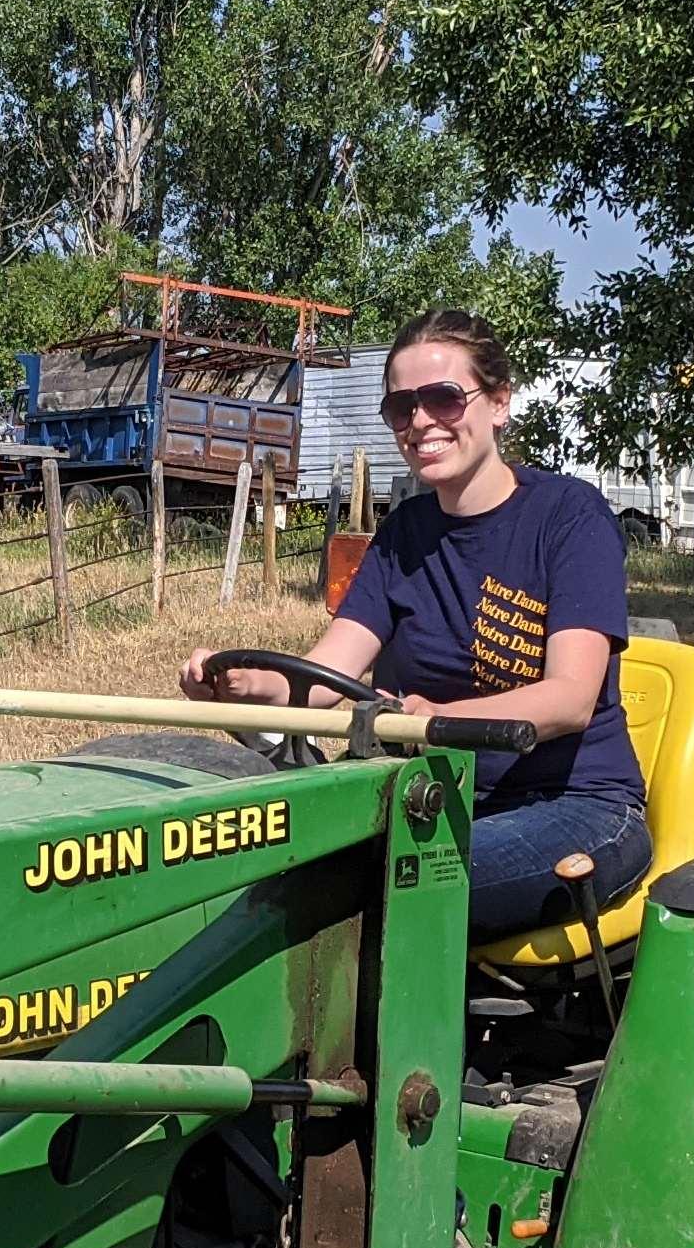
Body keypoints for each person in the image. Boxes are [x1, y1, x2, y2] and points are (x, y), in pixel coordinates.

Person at [183, 311, 653, 939]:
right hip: (427, 796)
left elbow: (570, 700)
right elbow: (328, 677)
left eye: (443, 398)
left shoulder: (569, 519)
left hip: (574, 807)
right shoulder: (403, 534)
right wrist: (246, 685)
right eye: (402, 406)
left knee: (370, 888)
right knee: (242, 862)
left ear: (499, 403)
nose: (421, 421)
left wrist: (430, 720)